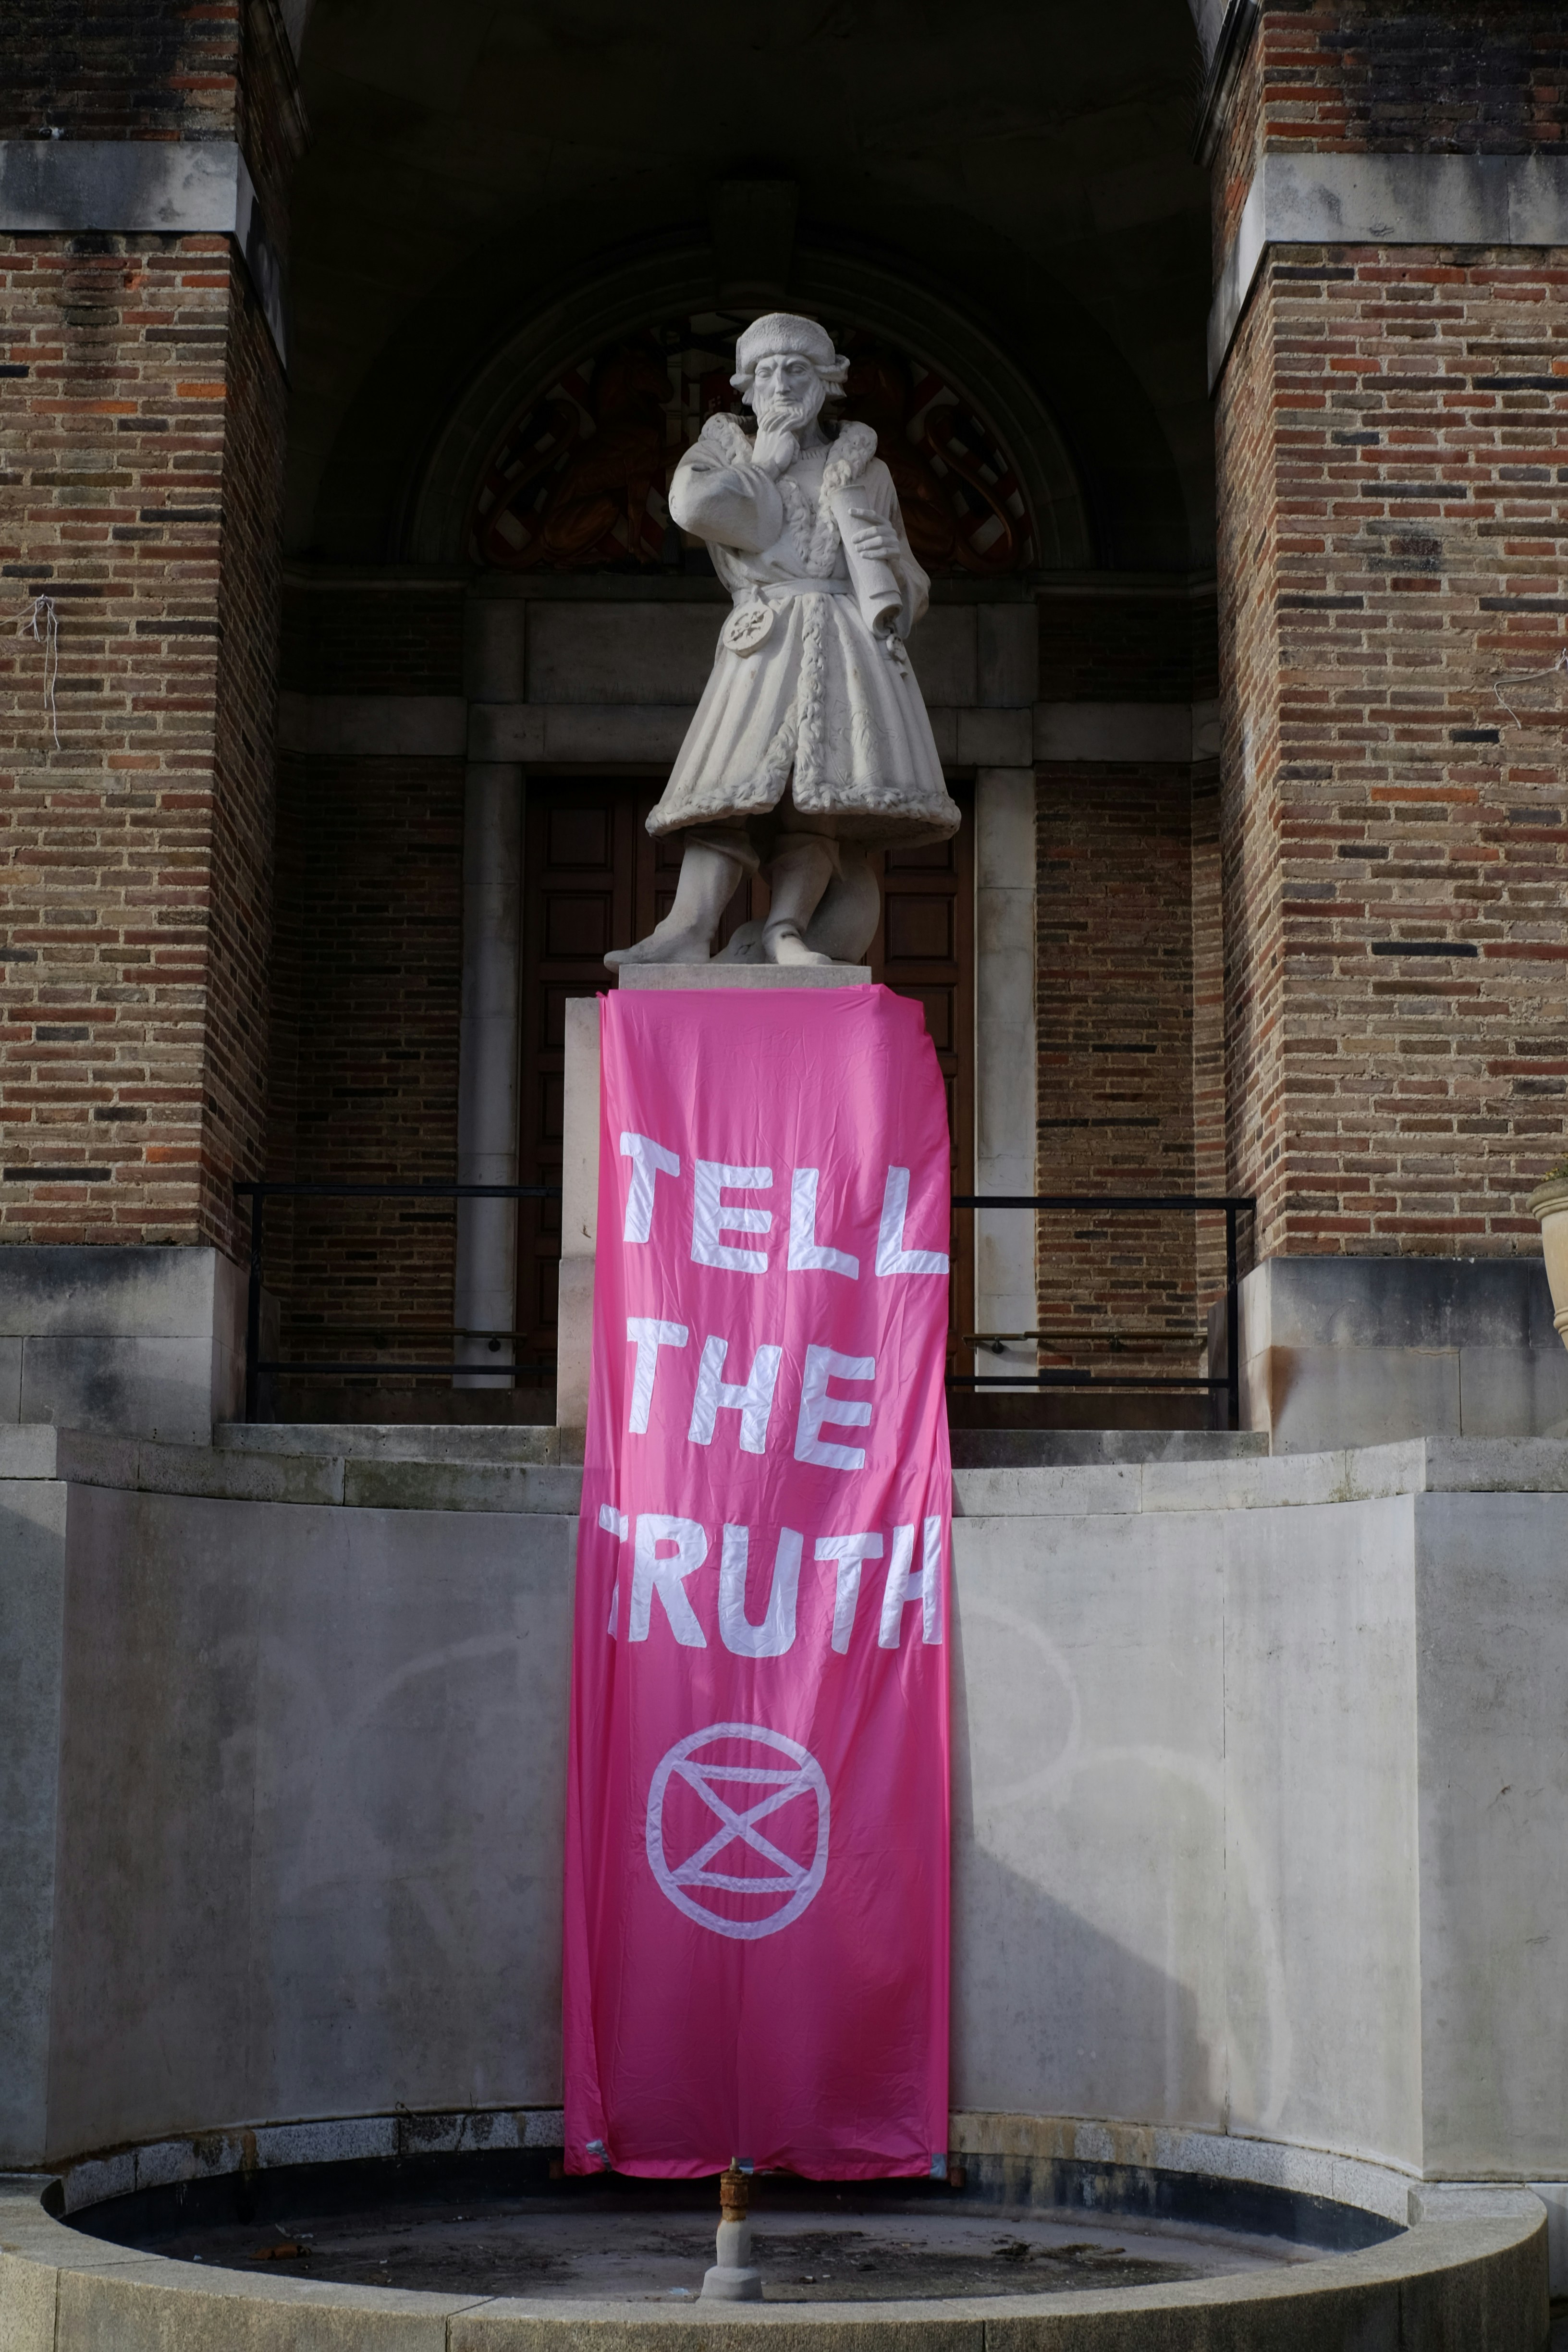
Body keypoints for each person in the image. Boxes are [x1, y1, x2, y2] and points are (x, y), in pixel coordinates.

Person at [605, 312, 959, 968]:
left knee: (816, 797)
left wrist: (896, 565)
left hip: (847, 643)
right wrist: (765, 462)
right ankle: (687, 928)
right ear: (745, 386)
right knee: (731, 786)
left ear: (826, 381)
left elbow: (909, 581)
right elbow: (696, 507)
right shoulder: (726, 450)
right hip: (764, 638)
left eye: (797, 370)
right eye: (766, 372)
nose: (781, 383)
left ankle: (785, 931)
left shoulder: (867, 471)